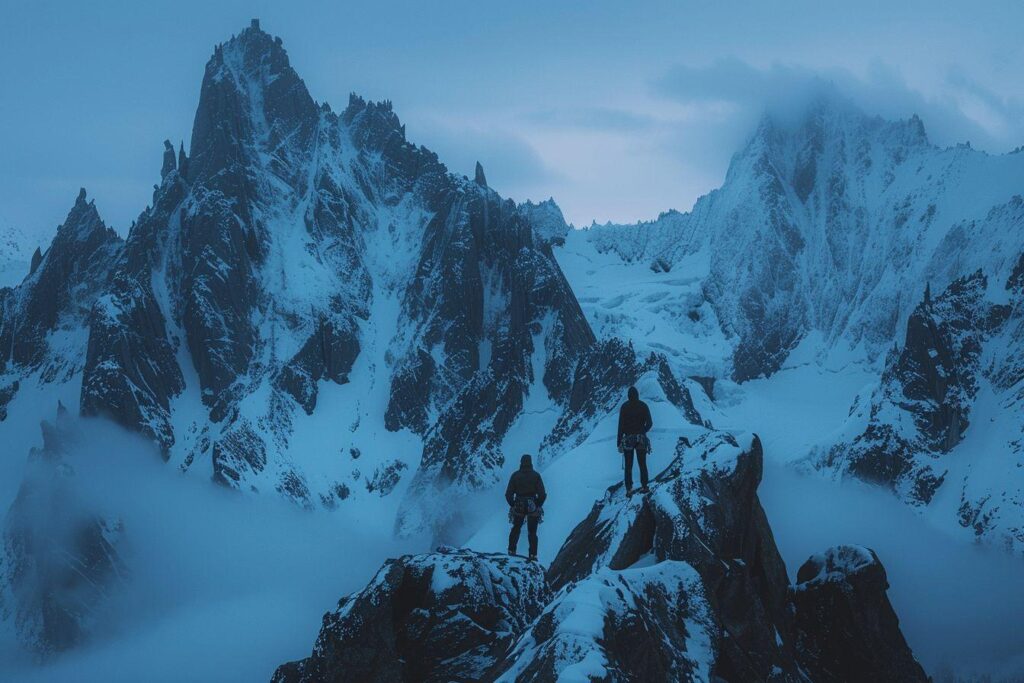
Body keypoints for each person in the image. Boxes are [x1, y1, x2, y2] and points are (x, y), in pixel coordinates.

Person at [505, 454, 546, 561]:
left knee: (516, 529)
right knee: (532, 532)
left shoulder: (515, 475)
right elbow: (542, 494)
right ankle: (532, 555)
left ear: (521, 462)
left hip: (518, 505)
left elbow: (508, 494)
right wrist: (537, 505)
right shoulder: (536, 476)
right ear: (530, 462)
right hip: (532, 505)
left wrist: (513, 505)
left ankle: (511, 550)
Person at [617, 386, 653, 494]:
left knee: (628, 465)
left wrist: (619, 442)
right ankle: (645, 486)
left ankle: (629, 489)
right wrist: (643, 431)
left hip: (628, 439)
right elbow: (650, 423)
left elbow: (620, 426)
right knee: (642, 463)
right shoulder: (643, 406)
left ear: (628, 396)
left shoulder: (624, 407)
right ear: (637, 395)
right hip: (641, 438)